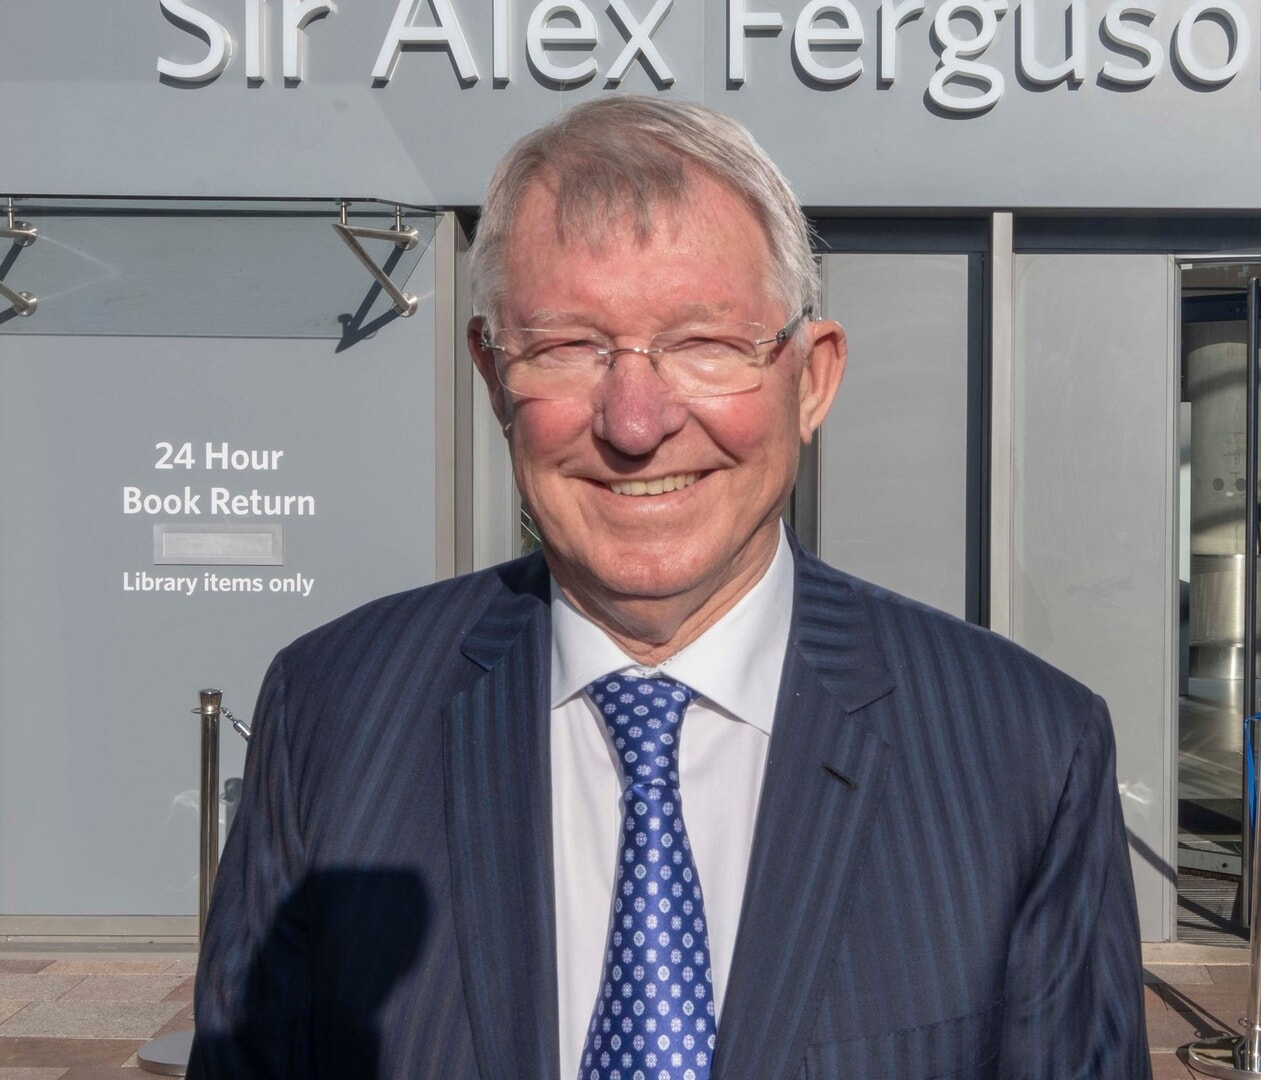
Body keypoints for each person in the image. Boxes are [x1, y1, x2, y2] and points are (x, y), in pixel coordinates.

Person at [189, 97, 1149, 1080]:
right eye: (568, 347)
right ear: (492, 378)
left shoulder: (1027, 750)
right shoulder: (334, 713)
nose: (636, 422)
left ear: (811, 379)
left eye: (705, 344)